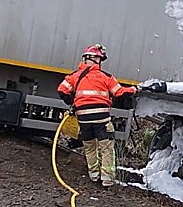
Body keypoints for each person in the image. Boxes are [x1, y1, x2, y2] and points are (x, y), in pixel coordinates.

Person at [57, 44, 137, 186]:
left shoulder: (74, 76)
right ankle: (107, 179)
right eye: (100, 59)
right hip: (101, 117)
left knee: (89, 147)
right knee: (106, 147)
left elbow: (62, 90)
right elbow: (119, 92)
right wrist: (135, 89)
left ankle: (93, 176)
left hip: (83, 117)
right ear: (94, 59)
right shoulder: (105, 77)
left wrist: (73, 103)